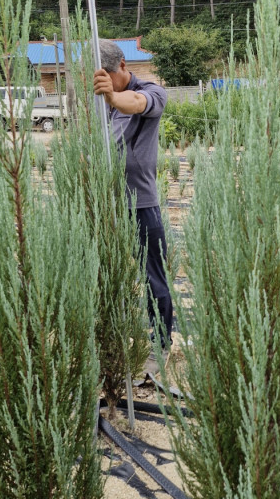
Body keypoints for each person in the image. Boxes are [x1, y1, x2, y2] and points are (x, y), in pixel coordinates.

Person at [93, 39, 173, 357]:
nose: (102, 84)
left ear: (122, 66)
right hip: (105, 203)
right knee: (102, 273)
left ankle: (161, 344)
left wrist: (113, 97)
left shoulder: (152, 92)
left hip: (140, 204)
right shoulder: (99, 103)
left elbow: (137, 102)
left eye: (107, 76)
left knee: (154, 278)